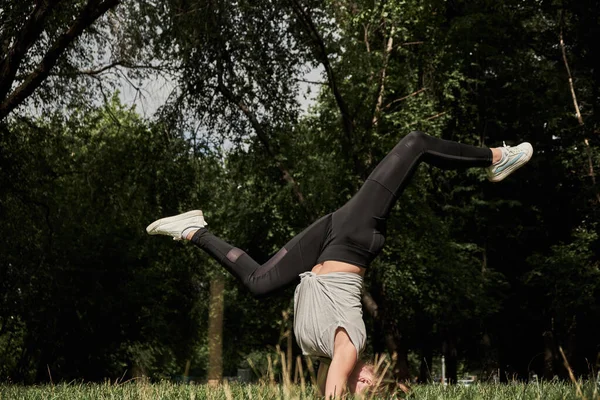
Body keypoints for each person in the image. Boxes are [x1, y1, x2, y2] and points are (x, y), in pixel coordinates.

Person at [146, 131, 533, 398]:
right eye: (372, 381)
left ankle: (194, 230)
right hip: (354, 236)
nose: (368, 375)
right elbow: (343, 376)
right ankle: (500, 157)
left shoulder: (324, 358)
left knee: (259, 282)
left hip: (327, 241)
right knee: (415, 143)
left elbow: (328, 386)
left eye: (364, 386)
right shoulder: (350, 347)